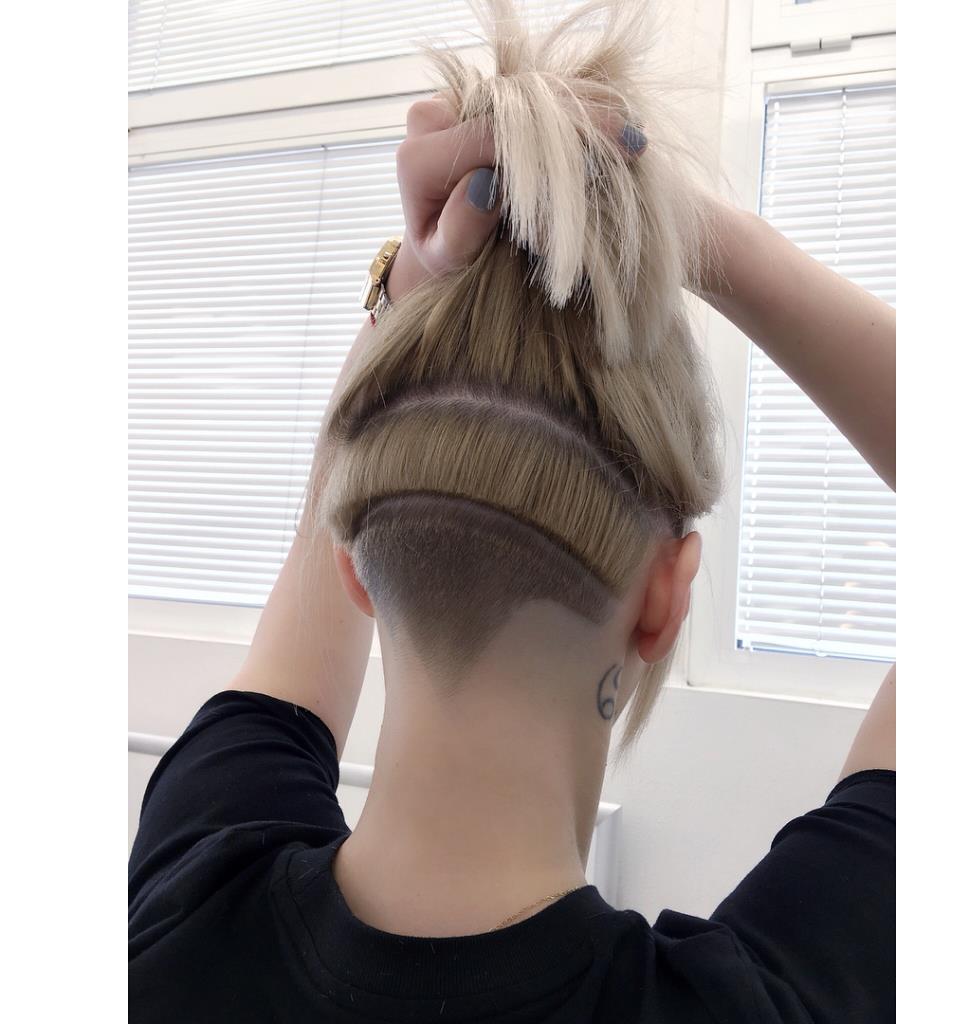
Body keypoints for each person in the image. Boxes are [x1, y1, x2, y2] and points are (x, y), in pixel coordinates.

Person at [128, 2, 895, 1021]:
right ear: (665, 596)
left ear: (355, 564)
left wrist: (406, 285)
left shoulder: (188, 895)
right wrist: (692, 231)